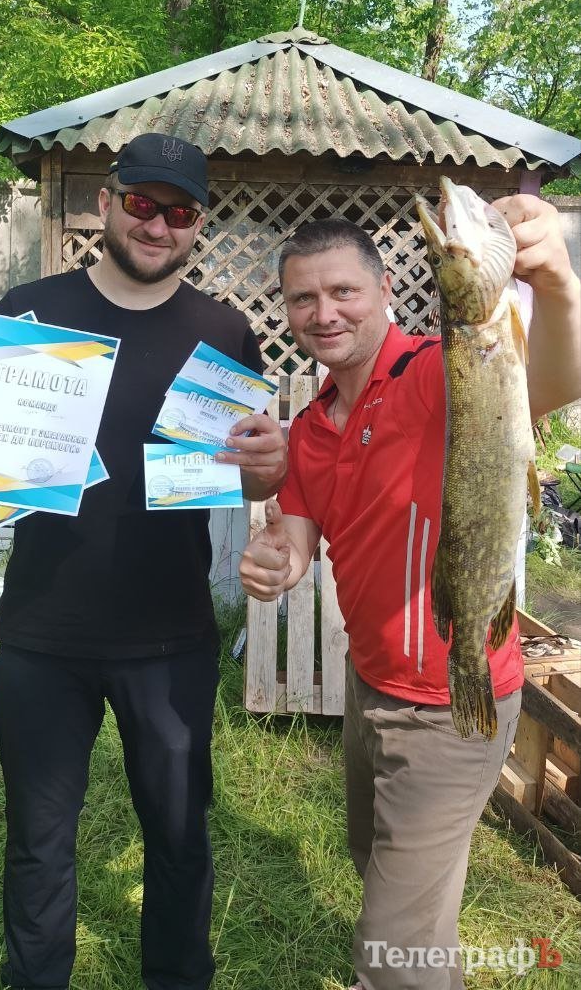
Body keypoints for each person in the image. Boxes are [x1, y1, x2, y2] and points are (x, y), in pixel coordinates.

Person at [0, 132, 287, 990]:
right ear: (107, 204)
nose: (158, 225)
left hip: (172, 637)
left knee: (180, 840)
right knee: (38, 844)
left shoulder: (224, 333)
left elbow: (250, 471)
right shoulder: (31, 313)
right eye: (143, 203)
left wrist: (271, 471)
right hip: (43, 635)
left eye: (180, 212)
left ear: (198, 226)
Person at [239, 194, 581, 990]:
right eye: (303, 298)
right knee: (381, 868)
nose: (324, 313)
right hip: (371, 685)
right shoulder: (309, 427)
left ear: (386, 289)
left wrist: (558, 282)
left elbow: (556, 380)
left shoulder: (440, 369)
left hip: (455, 700)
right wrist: (275, 563)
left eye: (343, 291)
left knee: (393, 949)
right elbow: (297, 540)